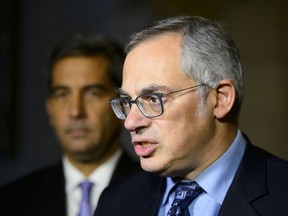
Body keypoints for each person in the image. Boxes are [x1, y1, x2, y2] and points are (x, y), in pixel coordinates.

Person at [94, 16, 288, 216]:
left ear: (220, 99)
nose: (131, 122)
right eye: (127, 101)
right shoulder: (115, 201)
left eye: (153, 99)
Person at [0, 34, 140, 216]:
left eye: (92, 93)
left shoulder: (161, 192)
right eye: (62, 94)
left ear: (122, 105)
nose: (75, 111)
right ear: (50, 109)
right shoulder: (11, 201)